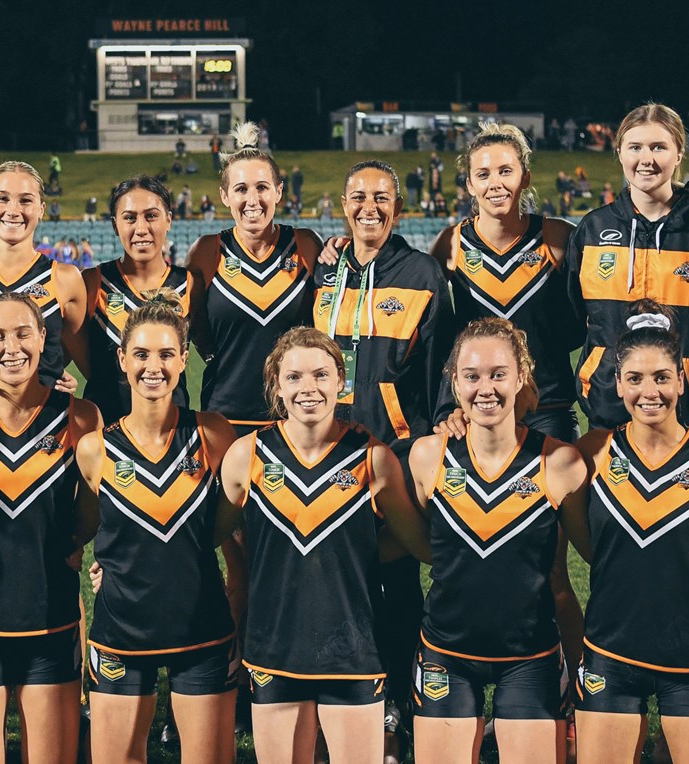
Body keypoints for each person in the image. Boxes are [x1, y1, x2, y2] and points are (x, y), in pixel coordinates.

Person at [216, 328, 431, 764]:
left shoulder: (373, 457)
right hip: (273, 649)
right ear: (277, 385)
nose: (307, 388)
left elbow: (419, 545)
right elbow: (204, 536)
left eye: (320, 375)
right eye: (294, 377)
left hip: (353, 652)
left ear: (341, 381)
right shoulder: (247, 455)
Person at [563, 301, 689, 764]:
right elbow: (591, 547)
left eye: (661, 377)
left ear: (682, 380)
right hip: (609, 654)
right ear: (617, 383)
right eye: (635, 378)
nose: (649, 391)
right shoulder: (590, 454)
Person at [404, 319, 590, 763]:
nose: (485, 388)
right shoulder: (427, 456)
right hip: (444, 653)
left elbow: (606, 557)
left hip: (532, 656)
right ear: (454, 381)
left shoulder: (559, 462)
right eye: (471, 376)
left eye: (498, 374)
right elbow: (410, 545)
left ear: (522, 376)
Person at [313, 160, 453, 749]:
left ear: (399, 206)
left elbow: (441, 362)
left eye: (382, 197)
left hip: (392, 452)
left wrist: (436, 427)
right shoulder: (322, 273)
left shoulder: (423, 273)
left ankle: (398, 701)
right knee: (336, 587)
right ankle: (339, 703)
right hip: (326, 454)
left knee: (397, 585)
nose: (369, 207)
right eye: (358, 197)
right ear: (342, 205)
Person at [0, 293, 102, 764]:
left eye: (24, 333)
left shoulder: (80, 417)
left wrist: (75, 542)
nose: (12, 347)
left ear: (44, 338)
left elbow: (92, 505)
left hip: (51, 616)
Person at [77, 294, 242, 764]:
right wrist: (105, 568)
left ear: (183, 359)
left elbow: (219, 531)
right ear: (122, 359)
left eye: (167, 354)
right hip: (120, 631)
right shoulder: (94, 449)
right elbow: (87, 534)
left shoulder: (214, 434)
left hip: (202, 627)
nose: (155, 366)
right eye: (143, 354)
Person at [567, 103, 689, 432]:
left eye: (659, 147)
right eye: (635, 147)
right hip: (608, 409)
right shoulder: (591, 230)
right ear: (619, 152)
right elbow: (572, 320)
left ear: (679, 153)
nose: (646, 159)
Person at [428, 123, 584, 443]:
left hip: (549, 409)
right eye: (483, 175)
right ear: (470, 184)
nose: (495, 184)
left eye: (505, 171)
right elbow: (435, 335)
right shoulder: (452, 244)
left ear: (524, 177)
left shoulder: (557, 238)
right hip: (480, 408)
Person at [185, 121, 323, 437]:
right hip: (224, 416)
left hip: (294, 416)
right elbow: (196, 329)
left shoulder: (305, 245)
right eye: (241, 189)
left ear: (278, 191)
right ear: (224, 195)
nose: (252, 200)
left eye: (262, 187)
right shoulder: (207, 251)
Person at [0, 161, 84, 399]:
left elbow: (77, 353)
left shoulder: (65, 278)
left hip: (44, 424)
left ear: (41, 209)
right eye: (3, 198)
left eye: (25, 200)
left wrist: (52, 370)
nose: (13, 210)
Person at [77, 176, 193, 422]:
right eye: (129, 217)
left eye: (151, 216)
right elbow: (64, 358)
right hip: (106, 430)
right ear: (115, 225)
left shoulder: (191, 283)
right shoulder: (91, 283)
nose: (141, 228)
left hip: (172, 432)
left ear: (169, 220)